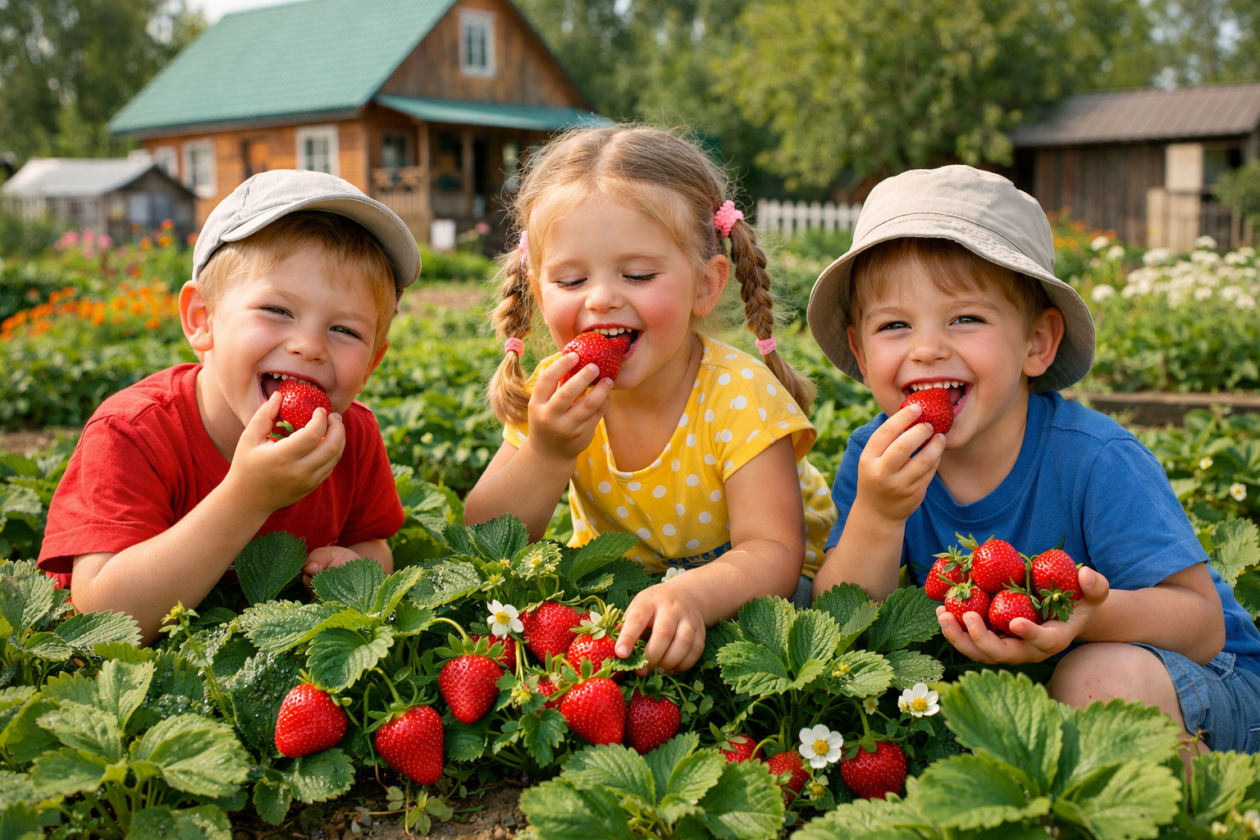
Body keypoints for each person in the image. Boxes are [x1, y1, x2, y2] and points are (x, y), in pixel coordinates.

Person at [808, 165, 1260, 757]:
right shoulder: (877, 460)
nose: (926, 348)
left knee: (1090, 680)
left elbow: (1203, 625)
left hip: (1203, 678)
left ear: (1037, 344)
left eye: (965, 318)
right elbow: (840, 622)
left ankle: (1194, 807)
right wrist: (878, 515)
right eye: (894, 325)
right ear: (862, 357)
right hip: (1033, 690)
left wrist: (1086, 616)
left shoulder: (1096, 460)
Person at [464, 126, 837, 675]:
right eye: (570, 280)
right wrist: (546, 453)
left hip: (755, 591)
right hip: (629, 589)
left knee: (780, 624)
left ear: (706, 286)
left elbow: (774, 554)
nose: (602, 297)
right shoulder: (557, 393)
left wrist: (692, 596)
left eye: (637, 274)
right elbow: (484, 535)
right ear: (539, 295)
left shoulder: (738, 394)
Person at [37, 170, 419, 645]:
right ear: (202, 319)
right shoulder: (134, 432)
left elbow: (373, 544)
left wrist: (356, 566)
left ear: (372, 363)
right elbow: (105, 618)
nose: (309, 346)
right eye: (278, 310)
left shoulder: (354, 439)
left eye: (346, 330)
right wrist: (246, 498)